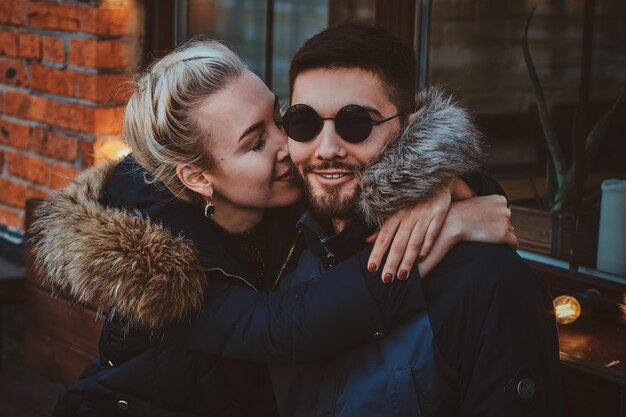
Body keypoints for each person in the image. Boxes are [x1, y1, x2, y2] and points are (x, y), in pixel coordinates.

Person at [32, 40, 515, 417]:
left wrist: (447, 185)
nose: (289, 143)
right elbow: (281, 329)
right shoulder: (158, 267)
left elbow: (382, 156)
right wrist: (446, 230)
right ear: (198, 178)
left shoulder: (283, 192)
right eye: (255, 141)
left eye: (280, 116)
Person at [268, 23, 562, 417]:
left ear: (407, 128)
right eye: (304, 123)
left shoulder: (490, 283)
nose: (326, 149)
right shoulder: (275, 241)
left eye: (355, 123)